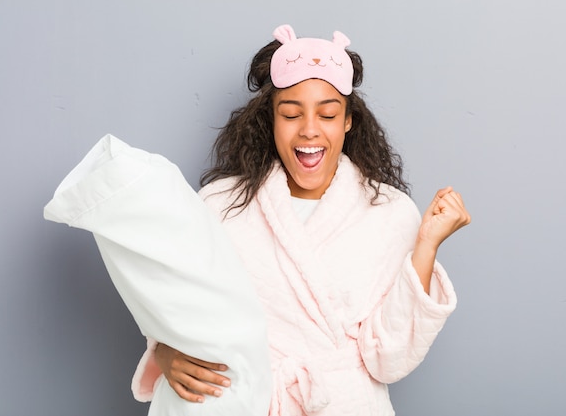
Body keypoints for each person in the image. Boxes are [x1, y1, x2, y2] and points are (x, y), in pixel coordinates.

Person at [132, 24, 471, 416]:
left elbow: (390, 359)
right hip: (243, 401)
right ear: (270, 121)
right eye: (291, 114)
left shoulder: (390, 213)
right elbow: (176, 303)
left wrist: (426, 244)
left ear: (348, 121)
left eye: (327, 114)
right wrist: (167, 350)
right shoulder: (220, 205)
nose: (309, 129)